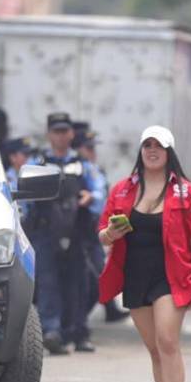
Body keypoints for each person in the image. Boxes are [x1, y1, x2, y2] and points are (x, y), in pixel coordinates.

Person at [98, 126, 191, 382]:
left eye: (158, 145)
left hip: (171, 277)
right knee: (154, 349)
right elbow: (102, 232)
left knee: (167, 341)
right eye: (147, 145)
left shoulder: (187, 192)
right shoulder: (122, 190)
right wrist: (109, 235)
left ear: (169, 151)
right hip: (135, 276)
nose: (152, 150)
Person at [28, 112, 96, 354]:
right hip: (46, 230)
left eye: (64, 131)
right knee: (48, 282)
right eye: (56, 131)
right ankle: (51, 331)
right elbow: (26, 197)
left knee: (78, 283)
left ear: (71, 133)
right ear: (49, 134)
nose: (61, 136)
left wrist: (91, 198)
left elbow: (98, 191)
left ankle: (77, 332)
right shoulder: (38, 163)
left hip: (76, 231)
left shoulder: (82, 164)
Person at [74, 127, 131, 324]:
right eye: (88, 148)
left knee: (101, 271)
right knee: (92, 274)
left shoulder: (95, 169)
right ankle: (79, 320)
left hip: (95, 226)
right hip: (81, 229)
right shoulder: (78, 169)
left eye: (93, 148)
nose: (93, 152)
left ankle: (106, 309)